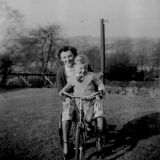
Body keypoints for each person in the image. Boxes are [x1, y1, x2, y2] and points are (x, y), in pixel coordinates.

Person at [59, 54, 106, 159]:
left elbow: (99, 83)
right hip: (78, 102)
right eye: (80, 68)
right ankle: (67, 143)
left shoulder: (91, 75)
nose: (83, 70)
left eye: (85, 67)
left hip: (90, 101)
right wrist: (63, 91)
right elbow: (67, 86)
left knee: (97, 112)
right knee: (70, 112)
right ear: (75, 68)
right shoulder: (72, 77)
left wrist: (101, 89)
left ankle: (98, 142)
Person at [56, 46, 94, 160]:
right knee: (67, 114)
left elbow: (93, 79)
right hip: (70, 98)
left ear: (74, 56)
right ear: (61, 59)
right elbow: (60, 89)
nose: (67, 59)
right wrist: (66, 98)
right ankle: (66, 144)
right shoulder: (61, 71)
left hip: (84, 97)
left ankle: (86, 128)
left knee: (88, 114)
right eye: (64, 57)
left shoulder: (83, 66)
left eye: (69, 56)